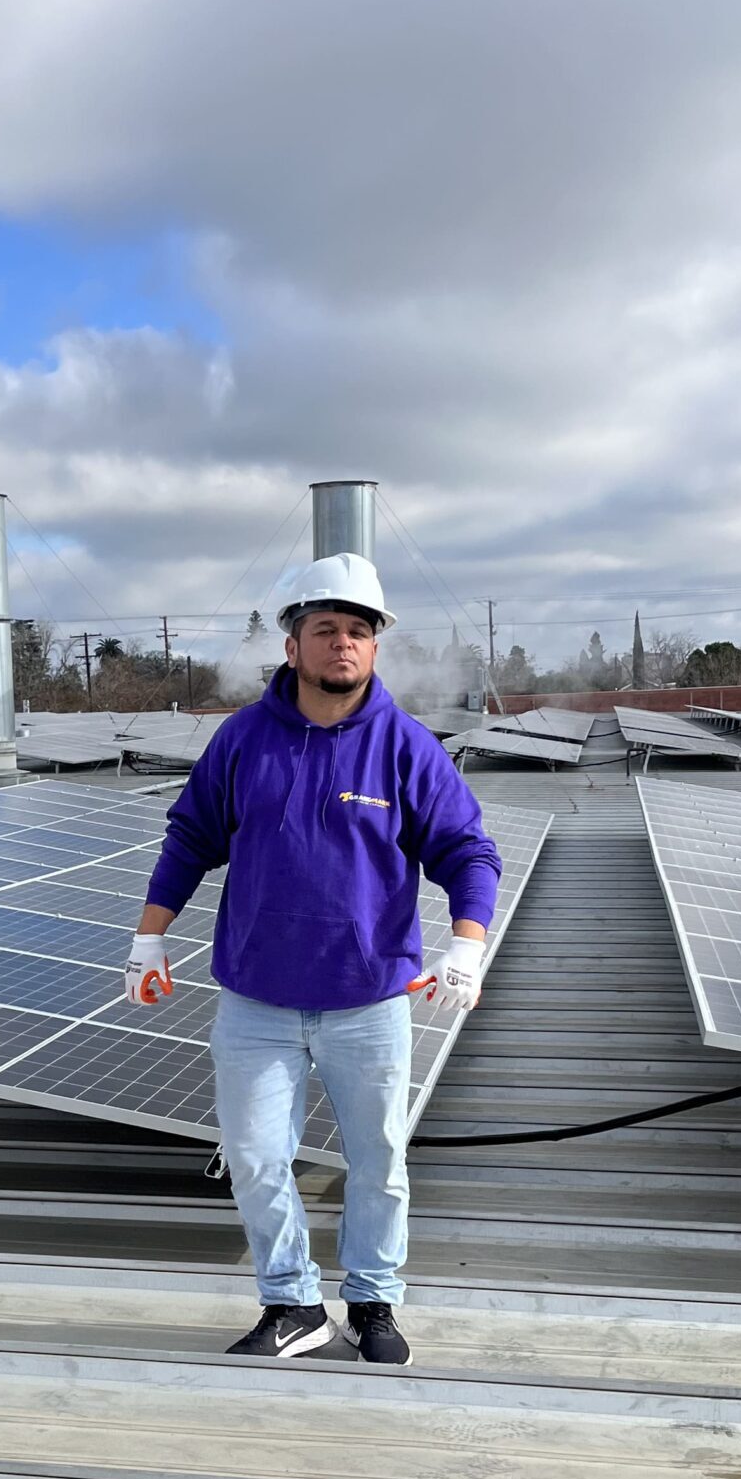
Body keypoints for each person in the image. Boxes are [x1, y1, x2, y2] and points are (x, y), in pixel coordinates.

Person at [123, 552, 501, 1365]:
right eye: (325, 629)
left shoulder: (404, 748)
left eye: (358, 631)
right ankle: (294, 1302)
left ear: (375, 647)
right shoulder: (243, 742)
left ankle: (372, 1300)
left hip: (367, 1001)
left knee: (378, 1162)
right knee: (257, 1159)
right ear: (292, 644)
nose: (343, 644)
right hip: (256, 1002)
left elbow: (469, 852)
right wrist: (148, 935)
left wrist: (466, 946)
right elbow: (191, 839)